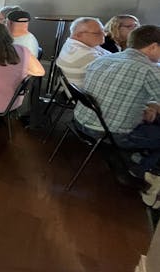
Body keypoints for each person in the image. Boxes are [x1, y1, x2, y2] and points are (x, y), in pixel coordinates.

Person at [73, 25, 160, 190]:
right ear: (153, 46)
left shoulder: (103, 59)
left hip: (82, 121)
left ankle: (128, 158)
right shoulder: (150, 70)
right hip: (109, 133)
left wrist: (149, 106)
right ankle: (138, 171)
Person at [55, 17, 110, 88]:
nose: (104, 35)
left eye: (103, 31)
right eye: (97, 33)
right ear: (78, 35)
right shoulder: (84, 54)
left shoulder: (73, 43)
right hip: (85, 96)